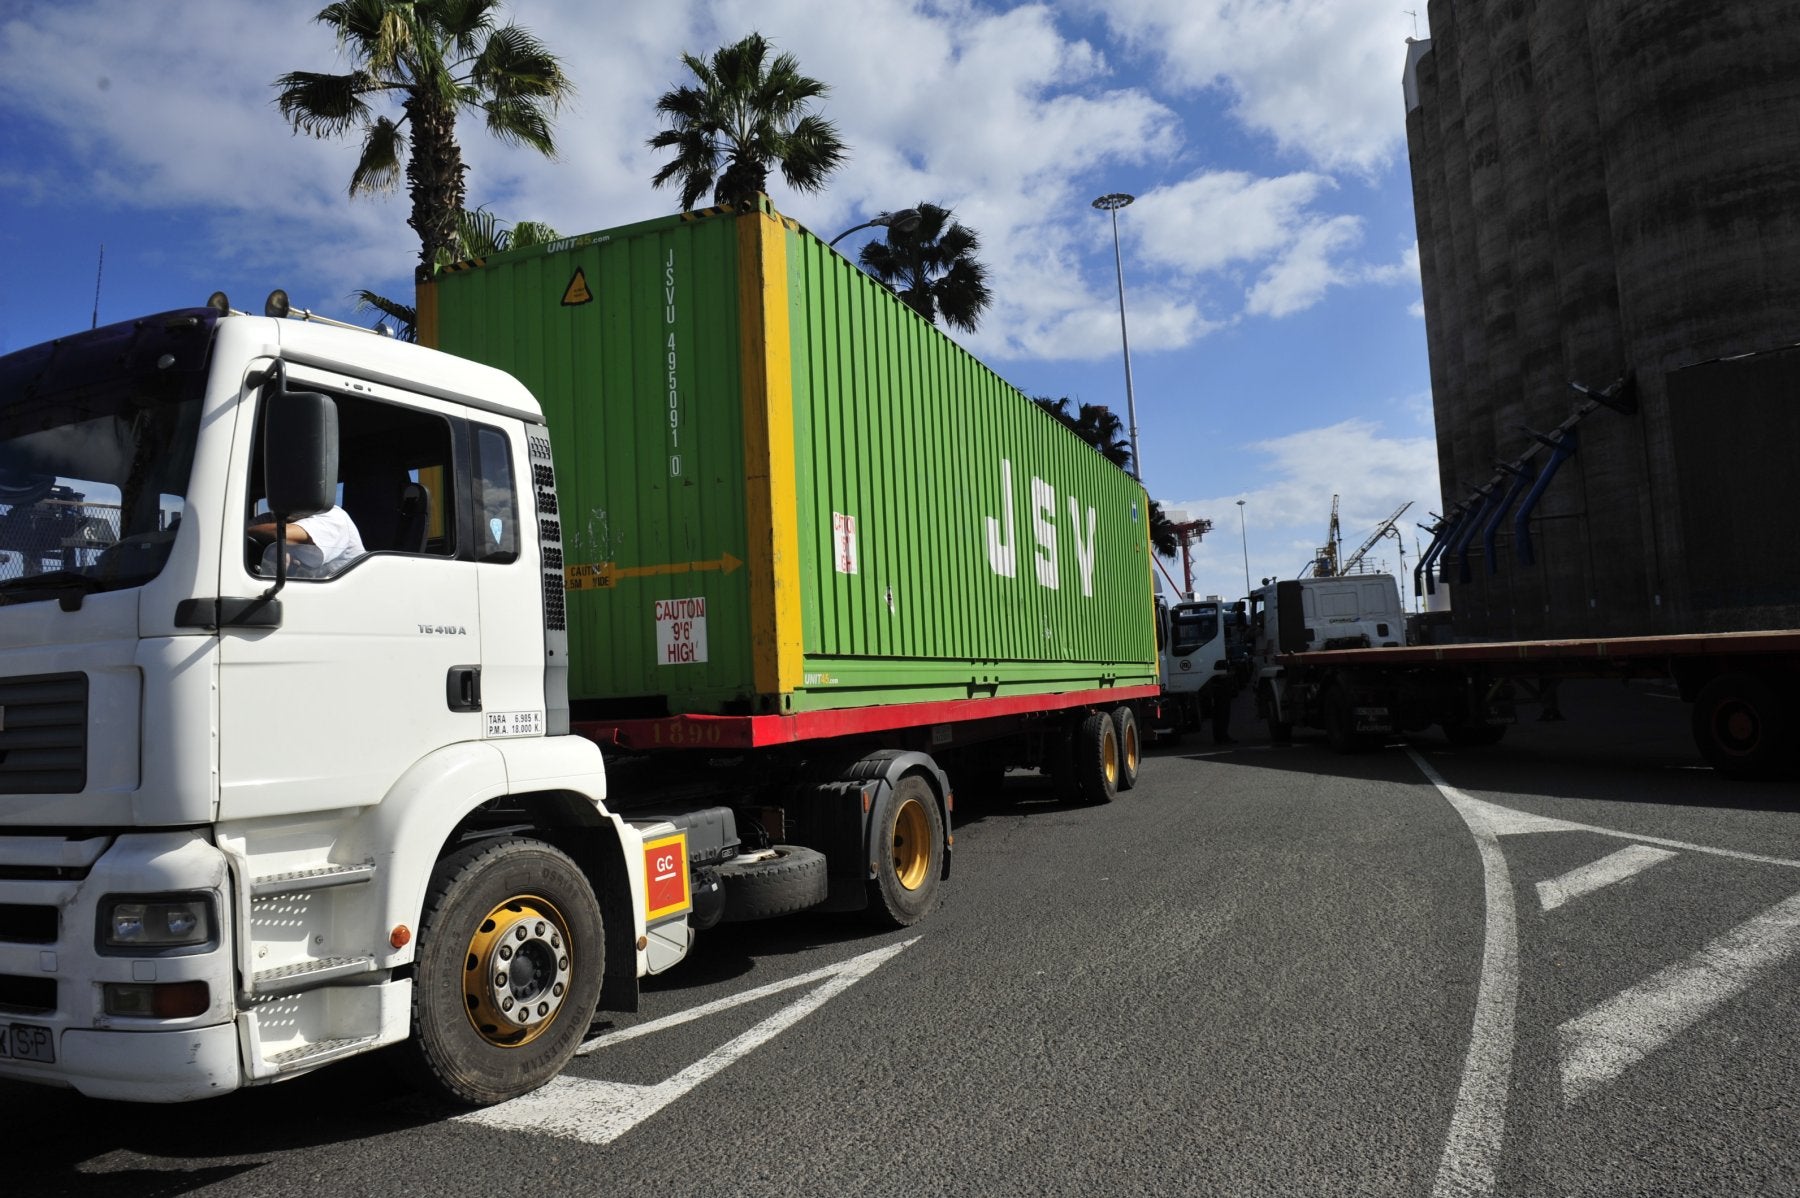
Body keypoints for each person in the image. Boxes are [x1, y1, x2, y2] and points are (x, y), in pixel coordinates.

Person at [248, 505, 365, 577]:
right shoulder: (278, 515)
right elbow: (241, 530)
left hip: (343, 599)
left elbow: (283, 533)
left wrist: (249, 531)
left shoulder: (333, 516)